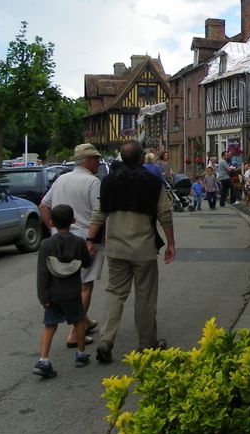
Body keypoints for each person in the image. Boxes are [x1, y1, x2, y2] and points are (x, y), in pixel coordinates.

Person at [87, 140, 176, 364]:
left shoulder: (108, 181)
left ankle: (106, 340)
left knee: (115, 293)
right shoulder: (154, 182)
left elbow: (99, 214)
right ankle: (147, 344)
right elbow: (165, 214)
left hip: (116, 248)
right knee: (145, 297)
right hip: (143, 249)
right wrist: (171, 243)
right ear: (140, 158)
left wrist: (90, 239)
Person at [39, 142, 105, 348]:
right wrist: (91, 240)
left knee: (67, 281)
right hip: (85, 237)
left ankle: (83, 320)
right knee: (85, 286)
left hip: (59, 236)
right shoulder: (93, 182)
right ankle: (76, 333)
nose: (99, 163)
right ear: (90, 161)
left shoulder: (61, 179)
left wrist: (51, 226)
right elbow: (98, 213)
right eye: (97, 159)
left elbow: (43, 205)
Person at [33, 204, 94, 378]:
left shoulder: (46, 244)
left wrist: (43, 296)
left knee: (50, 326)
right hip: (73, 292)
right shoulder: (79, 242)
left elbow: (42, 273)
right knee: (79, 321)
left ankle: (44, 359)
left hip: (53, 293)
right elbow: (86, 263)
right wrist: (91, 253)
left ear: (51, 222)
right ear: (73, 221)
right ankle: (81, 354)